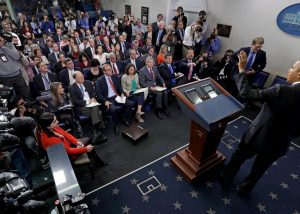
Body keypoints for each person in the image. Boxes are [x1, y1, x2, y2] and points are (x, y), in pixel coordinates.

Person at [219, 52, 300, 196]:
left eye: (292, 67)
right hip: (279, 143)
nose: (289, 70)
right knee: (259, 170)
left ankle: (226, 179)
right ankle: (244, 190)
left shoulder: (282, 90)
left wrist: (242, 70)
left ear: (299, 75)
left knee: (239, 156)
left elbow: (247, 93)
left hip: (257, 135)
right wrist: (285, 134)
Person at [37, 112, 108, 166]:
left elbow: (66, 134)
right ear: (48, 126)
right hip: (67, 156)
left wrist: (77, 142)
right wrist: (85, 149)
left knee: (88, 141)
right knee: (88, 144)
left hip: (68, 147)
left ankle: (96, 162)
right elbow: (69, 151)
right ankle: (97, 162)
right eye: (55, 121)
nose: (57, 122)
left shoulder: (52, 127)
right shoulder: (50, 139)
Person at [96, 64, 135, 134]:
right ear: (104, 72)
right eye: (108, 70)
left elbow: (119, 86)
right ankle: (115, 124)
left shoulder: (114, 76)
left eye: (110, 69)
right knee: (113, 109)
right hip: (108, 99)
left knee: (131, 104)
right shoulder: (100, 80)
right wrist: (105, 101)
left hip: (117, 96)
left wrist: (122, 93)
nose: (111, 70)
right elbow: (99, 94)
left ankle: (125, 119)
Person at [69, 71, 106, 137]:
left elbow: (93, 93)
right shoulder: (72, 88)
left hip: (92, 103)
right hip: (82, 107)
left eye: (83, 76)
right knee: (98, 112)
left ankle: (95, 128)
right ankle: (99, 127)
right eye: (80, 78)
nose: (83, 78)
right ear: (76, 79)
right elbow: (75, 101)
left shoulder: (88, 82)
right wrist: (88, 102)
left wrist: (93, 99)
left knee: (95, 107)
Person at [0, 33, 30, 99]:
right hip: (4, 78)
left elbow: (16, 57)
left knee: (25, 96)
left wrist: (3, 47)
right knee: (10, 99)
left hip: (18, 75)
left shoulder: (9, 43)